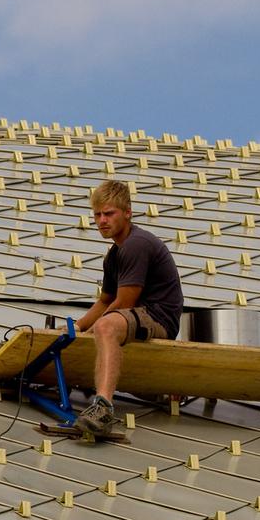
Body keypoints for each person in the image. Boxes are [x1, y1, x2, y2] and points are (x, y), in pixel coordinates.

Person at [72, 180, 184, 436]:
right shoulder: (113, 255)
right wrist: (76, 328)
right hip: (136, 316)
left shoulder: (137, 244)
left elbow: (124, 303)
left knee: (107, 325)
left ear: (128, 212)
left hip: (158, 318)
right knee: (99, 325)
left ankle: (103, 407)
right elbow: (104, 301)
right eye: (97, 215)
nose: (102, 220)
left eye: (109, 213)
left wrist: (91, 333)